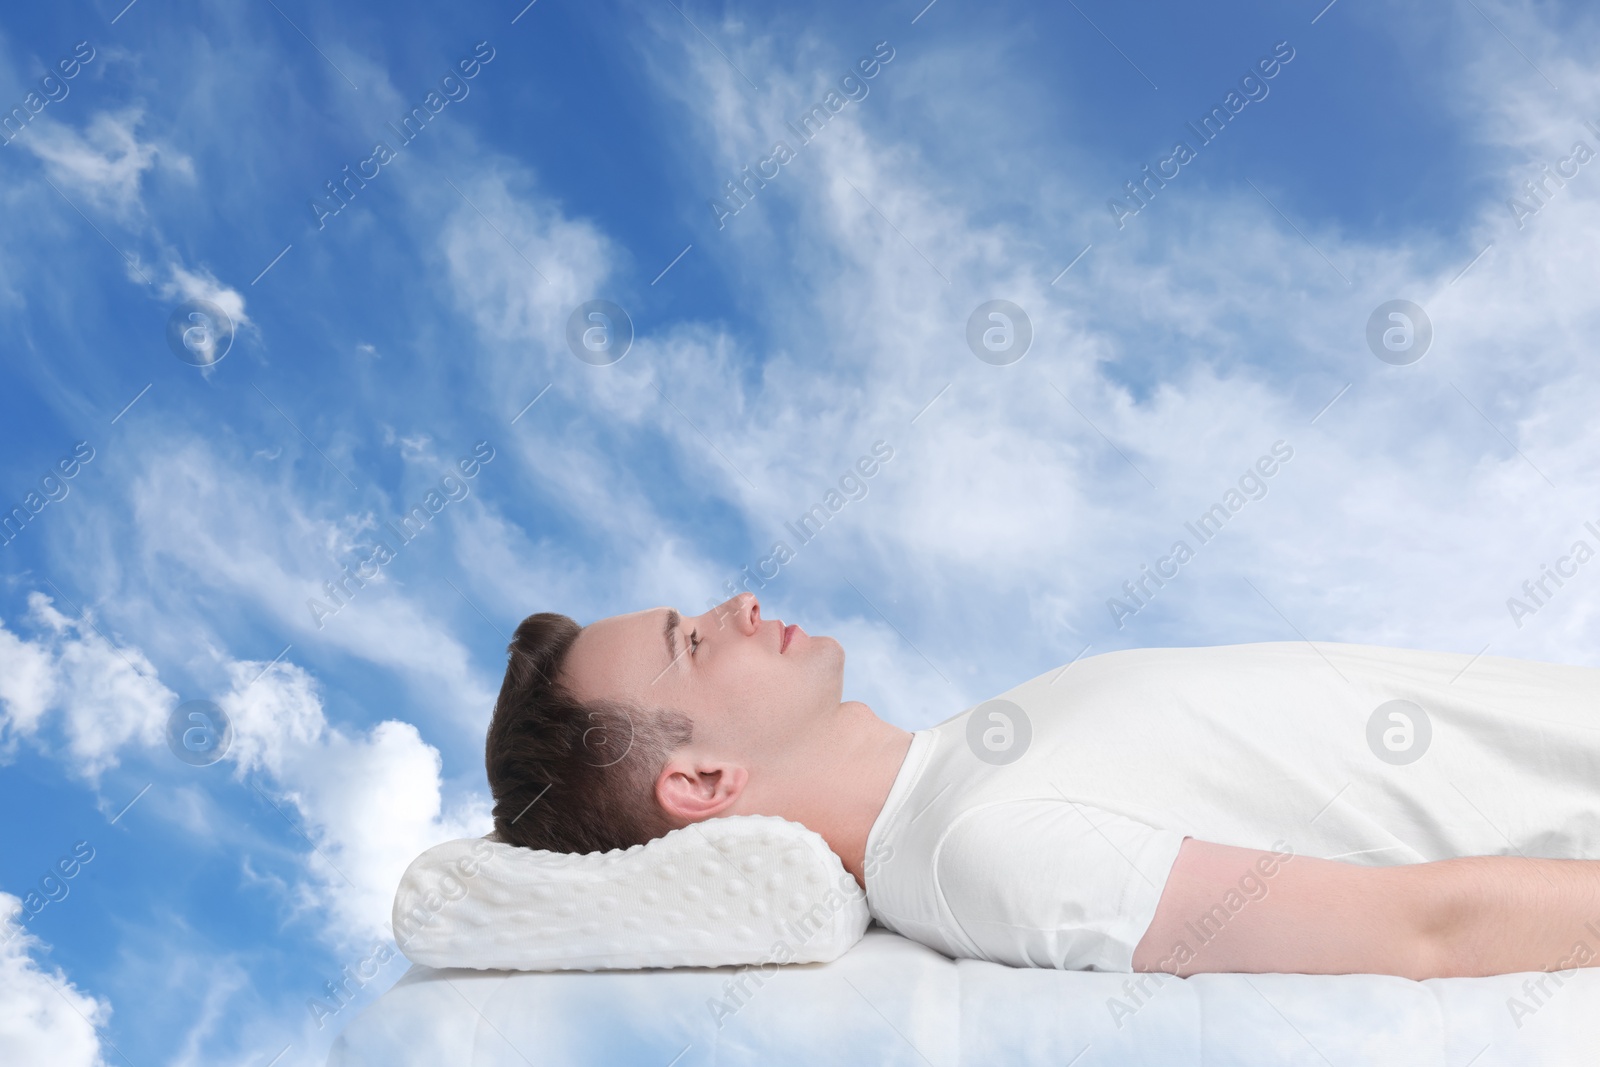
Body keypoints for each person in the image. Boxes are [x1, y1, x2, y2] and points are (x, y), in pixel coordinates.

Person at [484, 592, 1600, 978]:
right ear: (704, 779)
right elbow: (1423, 932)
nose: (730, 605)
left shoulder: (967, 758)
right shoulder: (978, 851)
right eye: (686, 640)